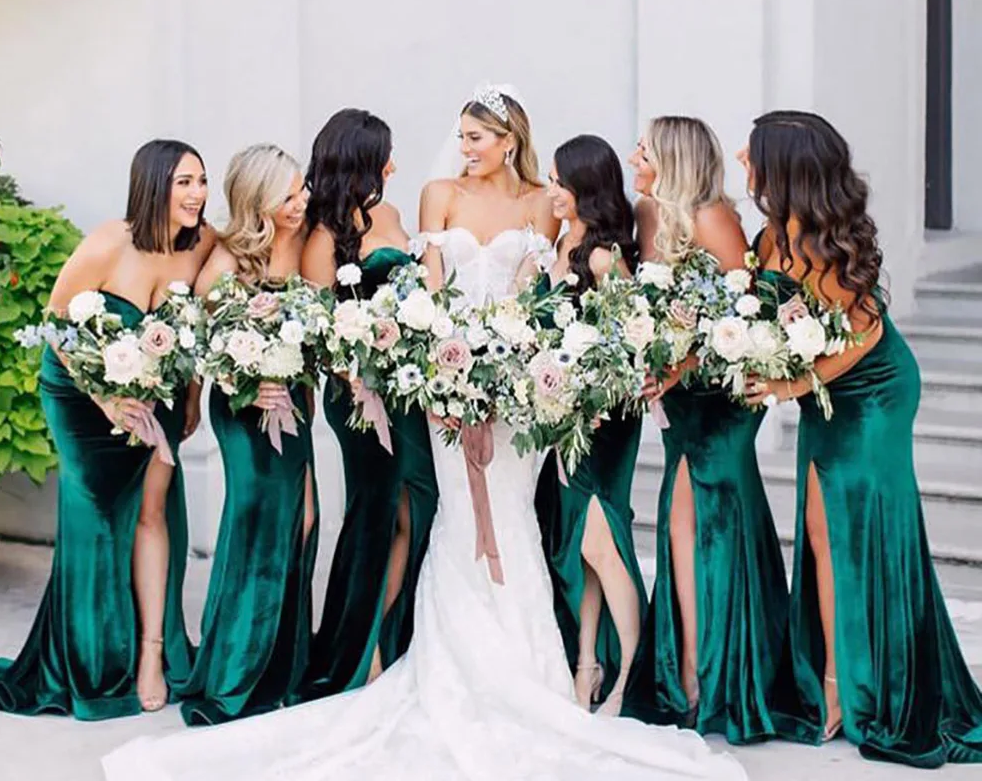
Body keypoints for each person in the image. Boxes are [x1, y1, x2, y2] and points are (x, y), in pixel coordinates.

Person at [102, 89, 746, 781]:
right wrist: (445, 374)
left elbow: (539, 295)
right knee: (450, 515)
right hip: (443, 381)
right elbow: (431, 298)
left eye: (476, 137)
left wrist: (522, 367)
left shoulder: (540, 202)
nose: (462, 148)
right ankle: (441, 661)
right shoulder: (437, 196)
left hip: (520, 387)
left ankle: (531, 665)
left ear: (508, 140)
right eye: (461, 136)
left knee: (513, 517)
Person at [741, 110, 982, 766]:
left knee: (855, 530)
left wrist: (788, 387)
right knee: (819, 531)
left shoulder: (826, 244)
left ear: (784, 165)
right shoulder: (771, 234)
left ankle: (857, 687)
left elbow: (864, 336)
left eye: (752, 151)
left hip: (873, 391)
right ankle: (834, 678)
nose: (741, 158)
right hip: (823, 392)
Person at [0, 139, 213, 719]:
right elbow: (56, 322)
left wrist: (193, 396)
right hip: (81, 397)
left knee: (154, 514)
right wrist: (105, 398)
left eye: (202, 181)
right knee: (96, 519)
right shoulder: (111, 242)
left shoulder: (201, 245)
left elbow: (198, 327)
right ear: (153, 184)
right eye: (184, 182)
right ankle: (91, 660)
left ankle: (152, 654)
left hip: (157, 396)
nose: (197, 194)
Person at [631, 116, 814, 743]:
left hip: (720, 396)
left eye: (644, 150)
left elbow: (743, 315)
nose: (635, 157)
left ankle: (711, 671)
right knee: (679, 520)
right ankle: (689, 662)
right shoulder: (650, 214)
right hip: (681, 400)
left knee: (707, 519)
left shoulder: (713, 218)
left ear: (673, 158)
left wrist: (681, 363)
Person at [298, 109, 437, 696]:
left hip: (407, 391)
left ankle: (394, 635)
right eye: (384, 157)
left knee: (418, 503)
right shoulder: (321, 237)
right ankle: (360, 650)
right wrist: (358, 370)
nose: (393, 167)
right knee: (378, 508)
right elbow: (317, 328)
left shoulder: (391, 215)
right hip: (358, 396)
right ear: (358, 161)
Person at [180, 144, 318, 725]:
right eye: (288, 195)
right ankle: (237, 671)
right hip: (244, 410)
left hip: (295, 403)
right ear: (259, 202)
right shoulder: (228, 259)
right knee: (257, 523)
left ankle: (284, 666)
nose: (301, 202)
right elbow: (201, 341)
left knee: (304, 519)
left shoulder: (307, 238)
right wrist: (243, 382)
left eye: (301, 190)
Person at [533, 134, 651, 718]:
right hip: (563, 418)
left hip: (604, 421)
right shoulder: (557, 244)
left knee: (598, 543)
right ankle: (586, 664)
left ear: (585, 187)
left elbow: (633, 341)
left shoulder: (605, 258)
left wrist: (592, 394)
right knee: (577, 548)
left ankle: (632, 674)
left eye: (560, 182)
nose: (551, 191)